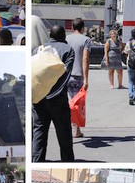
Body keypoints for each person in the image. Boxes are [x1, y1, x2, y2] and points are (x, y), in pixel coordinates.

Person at [32, 25, 76, 162]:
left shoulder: (37, 49)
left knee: (39, 132)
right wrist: (52, 94)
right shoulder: (68, 50)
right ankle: (67, 161)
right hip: (57, 99)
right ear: (64, 37)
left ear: (50, 36)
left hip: (38, 98)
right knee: (64, 135)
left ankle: (36, 161)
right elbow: (65, 76)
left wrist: (40, 94)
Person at [66, 18, 91, 137]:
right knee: (77, 104)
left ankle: (70, 128)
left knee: (69, 103)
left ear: (72, 27)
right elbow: (85, 58)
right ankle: (77, 130)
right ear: (83, 28)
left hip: (65, 76)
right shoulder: (86, 40)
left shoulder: (66, 39)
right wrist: (86, 79)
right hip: (77, 75)